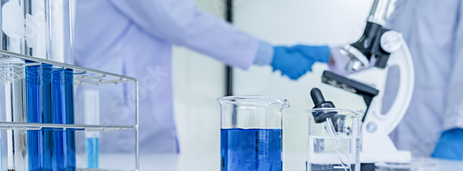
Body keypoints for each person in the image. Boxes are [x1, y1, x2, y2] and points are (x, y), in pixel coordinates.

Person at [74, 0, 331, 153]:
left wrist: (273, 53)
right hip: (118, 114)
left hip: (122, 107)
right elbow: (178, 20)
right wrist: (270, 53)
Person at [327, 0, 463, 162]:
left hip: (455, 136)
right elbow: (385, 47)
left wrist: (458, 128)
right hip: (405, 127)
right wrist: (330, 55)